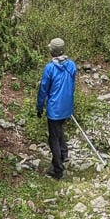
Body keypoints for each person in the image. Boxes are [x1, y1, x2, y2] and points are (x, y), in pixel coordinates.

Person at [36, 37, 77, 179]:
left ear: (52, 52)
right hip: (67, 106)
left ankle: (58, 169)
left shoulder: (50, 68)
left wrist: (39, 106)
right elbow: (72, 85)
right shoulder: (71, 65)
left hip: (54, 109)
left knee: (53, 137)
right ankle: (64, 154)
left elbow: (43, 89)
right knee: (59, 130)